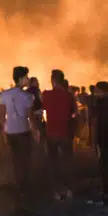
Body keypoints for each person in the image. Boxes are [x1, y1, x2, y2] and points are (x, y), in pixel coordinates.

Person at [0, 67, 38, 195]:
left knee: (16, 158)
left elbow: (1, 116)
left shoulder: (4, 95)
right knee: (25, 158)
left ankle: (18, 183)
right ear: (20, 78)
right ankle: (24, 184)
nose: (28, 79)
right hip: (23, 131)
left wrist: (3, 132)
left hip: (10, 131)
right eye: (26, 77)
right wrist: (35, 132)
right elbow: (30, 117)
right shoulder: (28, 96)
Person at [42, 70, 77, 198]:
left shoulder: (46, 95)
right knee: (68, 162)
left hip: (51, 133)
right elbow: (74, 113)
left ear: (53, 80)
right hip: (65, 132)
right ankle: (69, 190)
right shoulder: (69, 96)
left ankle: (57, 191)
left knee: (53, 162)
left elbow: (43, 110)